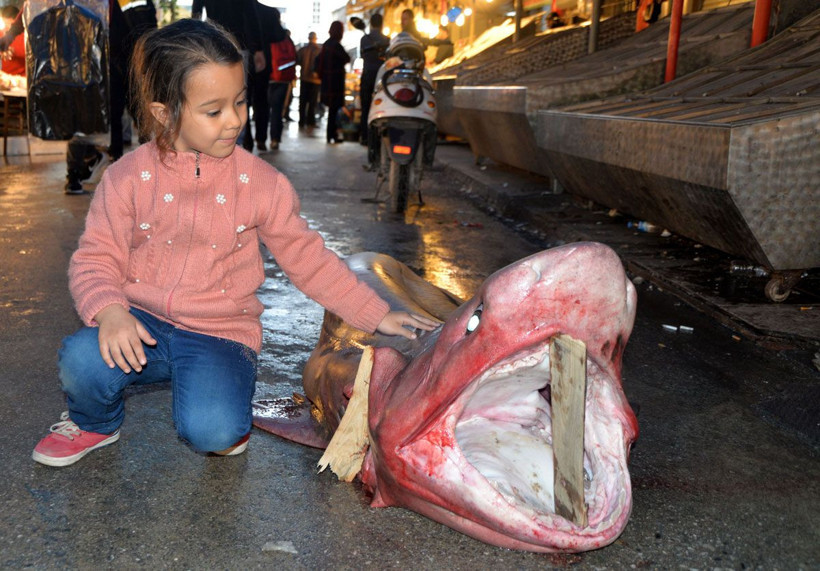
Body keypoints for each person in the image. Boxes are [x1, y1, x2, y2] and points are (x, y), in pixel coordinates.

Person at [30, 19, 437, 468]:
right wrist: (110, 311)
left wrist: (377, 314)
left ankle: (216, 398)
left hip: (219, 333)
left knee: (214, 434)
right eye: (214, 110)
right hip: (140, 323)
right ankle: (95, 424)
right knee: (81, 359)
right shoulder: (127, 177)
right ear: (164, 112)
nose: (235, 120)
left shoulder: (260, 184)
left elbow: (309, 260)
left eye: (240, 102)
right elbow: (95, 258)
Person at [192, 0, 266, 151]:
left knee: (214, 95)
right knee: (238, 96)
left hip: (213, 46)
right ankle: (236, 144)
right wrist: (258, 49)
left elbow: (196, 16)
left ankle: (218, 140)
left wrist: (195, 44)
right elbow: (252, 16)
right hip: (238, 45)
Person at [264, 7, 294, 150]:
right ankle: (275, 139)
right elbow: (295, 57)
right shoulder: (286, 37)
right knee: (277, 110)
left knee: (262, 109)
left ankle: (260, 139)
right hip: (283, 79)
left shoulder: (265, 34)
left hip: (267, 77)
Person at [316, 21, 350, 144]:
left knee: (332, 111)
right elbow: (347, 58)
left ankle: (330, 134)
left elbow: (318, 61)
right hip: (335, 83)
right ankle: (332, 135)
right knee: (333, 111)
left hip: (327, 82)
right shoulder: (336, 46)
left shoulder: (326, 45)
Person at [358, 13, 388, 145]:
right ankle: (378, 138)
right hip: (381, 77)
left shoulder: (364, 39)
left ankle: (365, 136)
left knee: (365, 107)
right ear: (382, 24)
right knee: (382, 108)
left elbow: (362, 56)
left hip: (367, 75)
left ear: (370, 24)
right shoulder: (387, 39)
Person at [296, 31, 321, 128]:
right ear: (315, 38)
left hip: (304, 78)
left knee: (303, 101)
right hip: (315, 80)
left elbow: (297, 61)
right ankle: (310, 121)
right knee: (312, 102)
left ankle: (301, 121)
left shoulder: (302, 50)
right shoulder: (319, 50)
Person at [0, 6, 25, 77]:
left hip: (21, 80)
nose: (6, 28)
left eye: (10, 25)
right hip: (5, 78)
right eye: (5, 24)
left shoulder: (25, 36)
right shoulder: (2, 33)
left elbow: (29, 54)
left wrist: (11, 51)